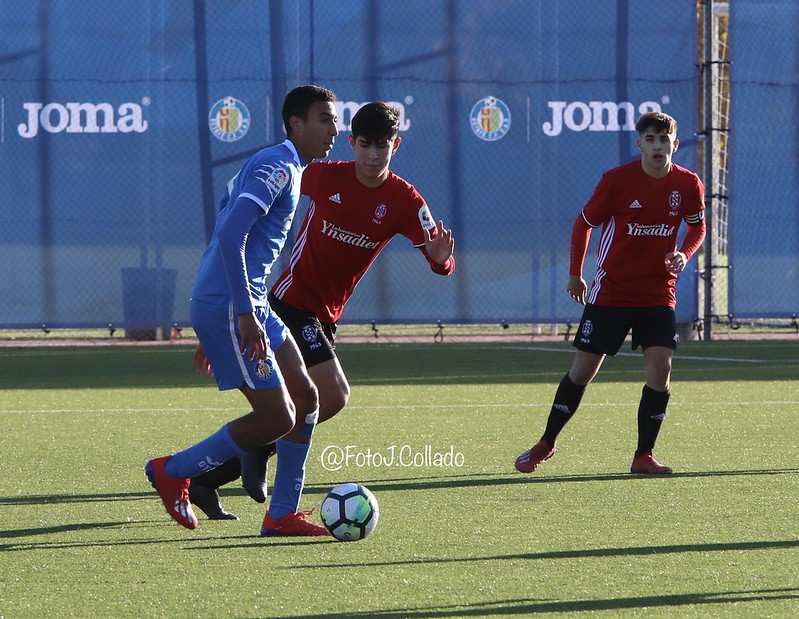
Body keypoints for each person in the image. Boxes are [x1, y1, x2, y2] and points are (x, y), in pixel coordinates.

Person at [190, 101, 456, 531]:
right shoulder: (319, 174)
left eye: (382, 146)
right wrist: (225, 311)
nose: (372, 155)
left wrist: (442, 260)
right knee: (331, 396)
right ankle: (254, 468)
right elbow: (248, 205)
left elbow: (438, 257)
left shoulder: (405, 200)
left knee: (298, 408)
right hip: (290, 302)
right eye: (365, 144)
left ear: (396, 146)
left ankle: (213, 475)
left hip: (324, 316)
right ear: (351, 144)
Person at [144, 84, 339, 534]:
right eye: (325, 119)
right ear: (296, 123)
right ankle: (171, 471)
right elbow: (232, 236)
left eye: (335, 119)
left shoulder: (284, 164)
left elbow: (225, 238)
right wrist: (241, 313)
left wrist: (236, 311)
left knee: (308, 397)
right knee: (277, 417)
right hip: (237, 304)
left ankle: (282, 514)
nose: (334, 129)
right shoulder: (277, 165)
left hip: (242, 301)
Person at [515, 111, 705, 475]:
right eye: (650, 139)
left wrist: (684, 253)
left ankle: (643, 455)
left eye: (664, 140)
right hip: (612, 291)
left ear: (675, 145)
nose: (657, 146)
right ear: (640, 145)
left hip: (658, 291)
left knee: (662, 364)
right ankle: (546, 443)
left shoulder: (688, 184)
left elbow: (698, 228)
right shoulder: (617, 181)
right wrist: (575, 274)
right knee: (584, 369)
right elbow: (584, 224)